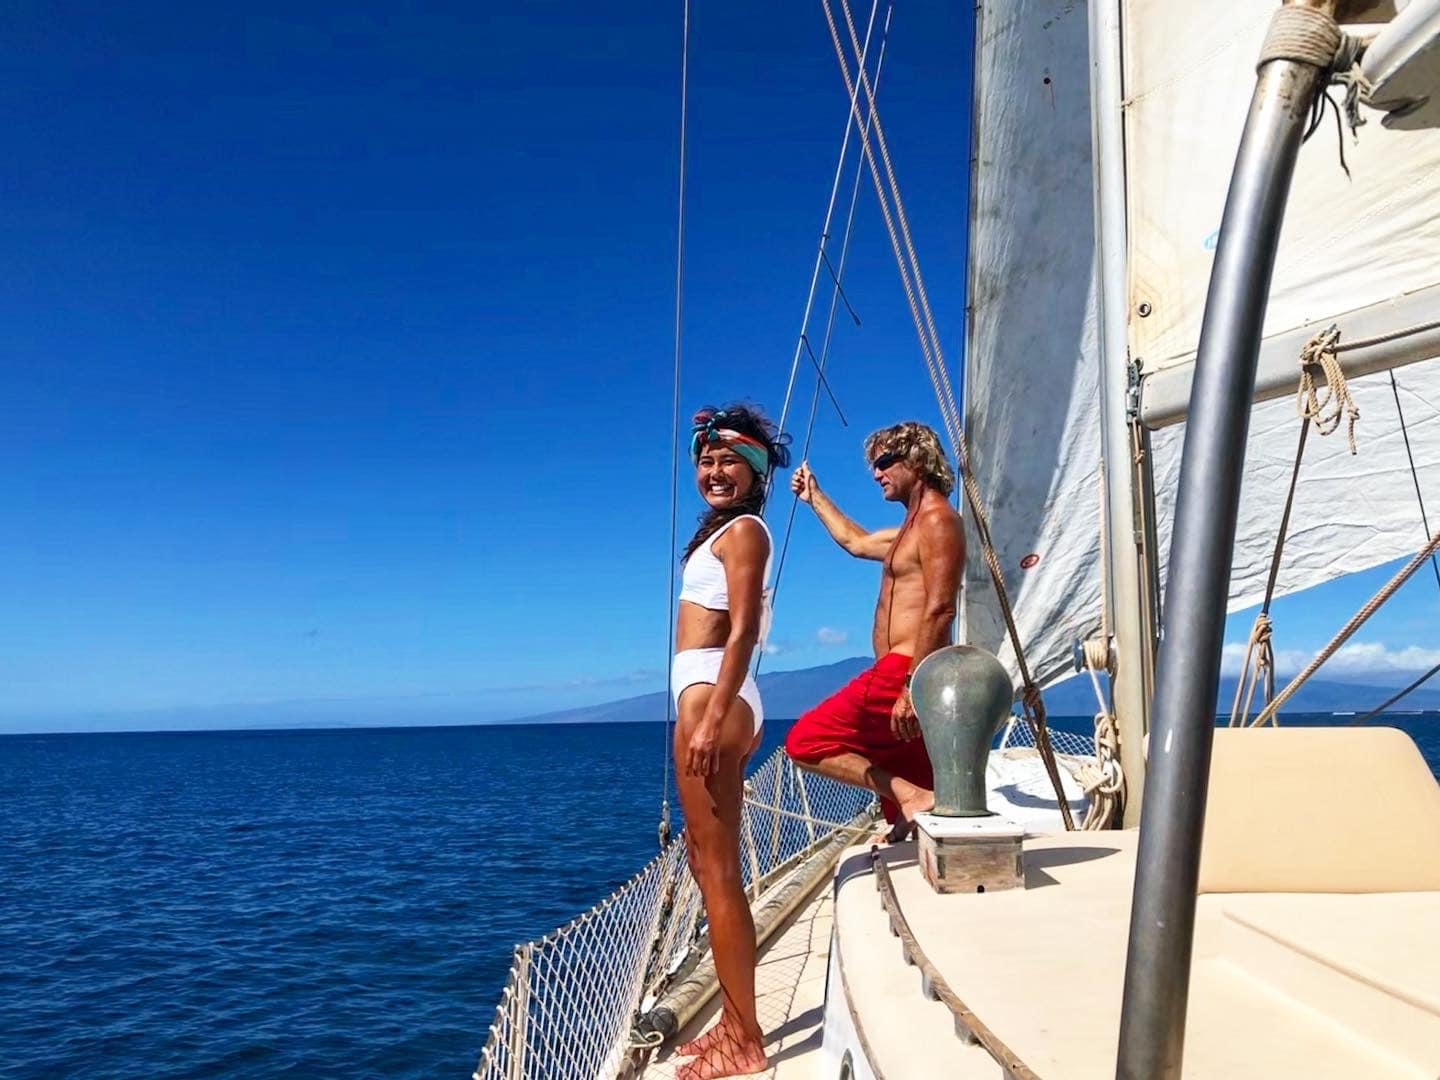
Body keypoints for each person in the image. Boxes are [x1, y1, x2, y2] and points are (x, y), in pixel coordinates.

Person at [670, 404, 789, 1079]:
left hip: (713, 697)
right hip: (711, 693)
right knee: (703, 861)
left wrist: (715, 717)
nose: (715, 471)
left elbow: (743, 629)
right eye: (706, 461)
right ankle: (731, 1019)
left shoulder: (745, 531)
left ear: (756, 471)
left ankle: (744, 1037)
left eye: (729, 462)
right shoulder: (722, 532)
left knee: (718, 873)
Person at [784, 421, 965, 840]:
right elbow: (856, 541)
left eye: (884, 462)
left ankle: (908, 795)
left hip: (904, 671)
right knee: (911, 768)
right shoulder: (910, 529)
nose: (875, 473)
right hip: (899, 671)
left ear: (916, 460)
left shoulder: (938, 521)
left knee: (805, 742)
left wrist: (911, 686)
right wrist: (814, 496)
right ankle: (913, 810)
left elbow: (941, 608)